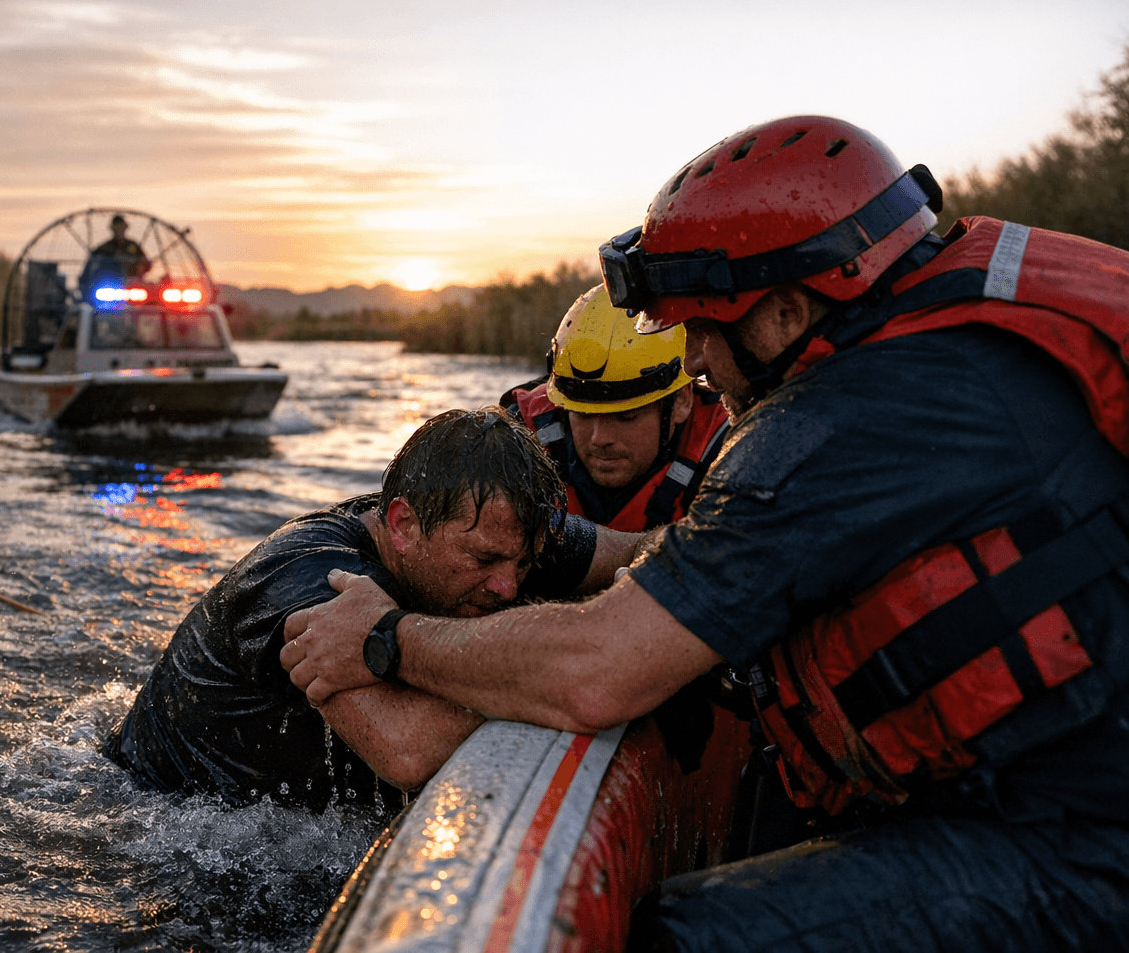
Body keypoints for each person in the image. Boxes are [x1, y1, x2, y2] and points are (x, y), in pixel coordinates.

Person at [283, 115, 1129, 951]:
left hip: (1083, 844)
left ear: (787, 312)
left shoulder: (843, 425)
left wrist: (389, 640)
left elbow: (597, 673)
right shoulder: (971, 333)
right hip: (1067, 779)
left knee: (687, 935)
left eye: (700, 327)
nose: (689, 362)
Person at [102, 406, 632, 812]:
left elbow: (645, 549)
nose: (508, 586)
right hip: (158, 822)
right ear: (402, 526)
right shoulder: (315, 582)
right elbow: (405, 749)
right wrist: (573, 658)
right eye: (485, 561)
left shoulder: (497, 529)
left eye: (525, 562)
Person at [503, 286, 730, 530]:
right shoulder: (519, 434)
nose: (599, 439)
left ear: (681, 401)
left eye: (625, 416)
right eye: (582, 414)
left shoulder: (728, 450)